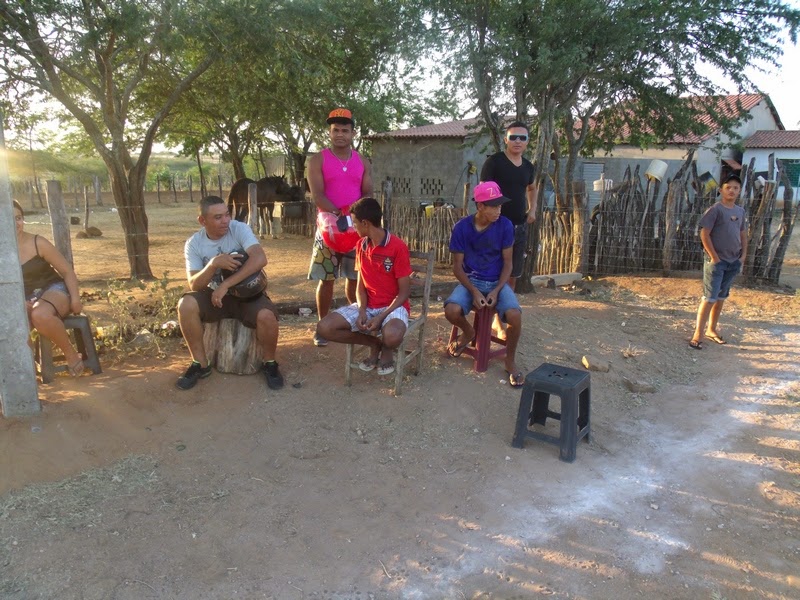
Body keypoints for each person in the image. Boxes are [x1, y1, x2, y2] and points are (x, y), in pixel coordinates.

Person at [176, 195, 284, 390]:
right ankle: (200, 364)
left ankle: (270, 363)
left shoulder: (239, 229)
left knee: (267, 316)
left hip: (248, 295)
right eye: (218, 217)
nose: (225, 220)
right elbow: (194, 285)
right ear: (202, 221)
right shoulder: (194, 243)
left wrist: (226, 284)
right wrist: (212, 264)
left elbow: (260, 258)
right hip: (214, 298)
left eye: (227, 214)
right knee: (186, 304)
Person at [316, 197, 411, 375]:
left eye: (355, 223)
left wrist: (381, 316)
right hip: (368, 306)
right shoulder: (360, 245)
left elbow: (404, 292)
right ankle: (373, 343)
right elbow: (360, 286)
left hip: (394, 307)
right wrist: (361, 310)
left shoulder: (397, 247)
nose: (353, 227)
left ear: (365, 223)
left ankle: (387, 348)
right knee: (324, 327)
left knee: (392, 336)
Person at [444, 181, 525, 387]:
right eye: (494, 206)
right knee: (451, 310)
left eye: (500, 205)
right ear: (480, 206)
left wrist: (497, 290)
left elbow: (508, 263)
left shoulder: (505, 225)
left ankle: (510, 360)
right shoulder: (462, 228)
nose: (499, 210)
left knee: (515, 315)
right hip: (471, 281)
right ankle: (469, 332)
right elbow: (457, 267)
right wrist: (473, 291)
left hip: (497, 282)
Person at [307, 107, 373, 347]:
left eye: (345, 130)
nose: (340, 135)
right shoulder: (318, 160)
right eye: (335, 130)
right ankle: (322, 326)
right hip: (328, 229)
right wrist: (339, 214)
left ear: (353, 133)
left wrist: (355, 217)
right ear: (329, 132)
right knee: (326, 279)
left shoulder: (362, 161)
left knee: (355, 278)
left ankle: (352, 322)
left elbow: (368, 193)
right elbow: (318, 195)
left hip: (356, 229)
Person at [14, 200, 85, 376]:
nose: (16, 223)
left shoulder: (38, 242)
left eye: (18, 218)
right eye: (9, 219)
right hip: (23, 298)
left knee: (40, 315)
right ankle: (26, 370)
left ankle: (70, 354)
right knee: (17, 324)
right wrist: (18, 303)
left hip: (53, 290)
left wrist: (76, 299)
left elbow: (67, 271)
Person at [690, 174, 748, 349]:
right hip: (716, 262)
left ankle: (712, 329)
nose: (732, 190)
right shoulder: (715, 210)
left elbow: (743, 234)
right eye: (728, 187)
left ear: (739, 191)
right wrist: (714, 257)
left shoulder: (740, 211)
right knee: (709, 298)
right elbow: (704, 233)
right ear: (721, 190)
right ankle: (698, 334)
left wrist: (743, 256)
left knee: (721, 297)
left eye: (735, 188)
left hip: (733, 261)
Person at [479, 120, 537, 291]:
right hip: (495, 225)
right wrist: (487, 216)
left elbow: (532, 188)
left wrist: (532, 209)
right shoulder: (494, 162)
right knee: (491, 269)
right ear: (506, 140)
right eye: (513, 137)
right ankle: (488, 304)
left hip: (519, 226)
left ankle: (505, 304)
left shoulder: (528, 167)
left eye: (522, 137)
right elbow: (482, 191)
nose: (517, 141)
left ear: (527, 141)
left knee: (513, 273)